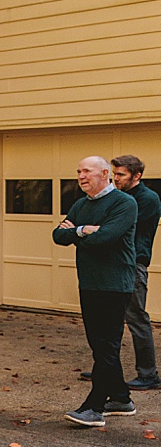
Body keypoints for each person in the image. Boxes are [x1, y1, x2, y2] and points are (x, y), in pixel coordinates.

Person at [54, 156, 138, 427]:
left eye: (86, 171)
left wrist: (77, 235)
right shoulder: (81, 204)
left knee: (106, 345)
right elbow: (58, 235)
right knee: (99, 345)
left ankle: (94, 407)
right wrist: (83, 230)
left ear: (104, 174)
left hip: (115, 284)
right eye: (78, 171)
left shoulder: (125, 204)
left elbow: (105, 238)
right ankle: (122, 399)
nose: (80, 175)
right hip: (89, 282)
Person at [112, 155, 161, 391]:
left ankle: (148, 375)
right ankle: (106, 367)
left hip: (133, 264)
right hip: (112, 263)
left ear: (137, 176)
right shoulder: (118, 195)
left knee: (136, 319)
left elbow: (121, 228)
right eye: (115, 173)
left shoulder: (148, 199)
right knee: (108, 318)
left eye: (120, 174)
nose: (115, 178)